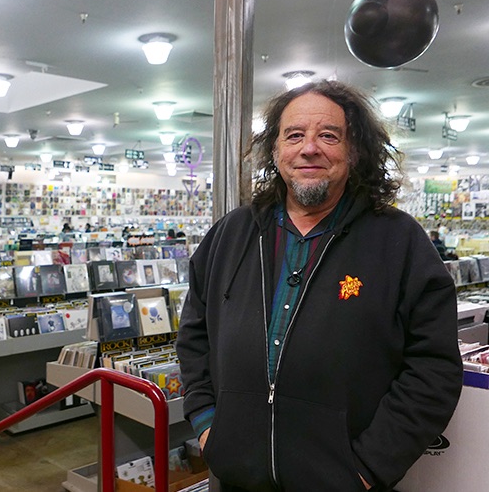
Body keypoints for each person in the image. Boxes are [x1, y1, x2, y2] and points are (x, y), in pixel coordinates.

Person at [176, 80, 462, 492]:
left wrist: (368, 467)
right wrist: (206, 424)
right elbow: (194, 334)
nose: (309, 148)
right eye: (294, 135)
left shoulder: (400, 242)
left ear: (354, 151)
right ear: (276, 152)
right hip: (235, 476)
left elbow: (433, 368)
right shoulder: (231, 235)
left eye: (328, 135)